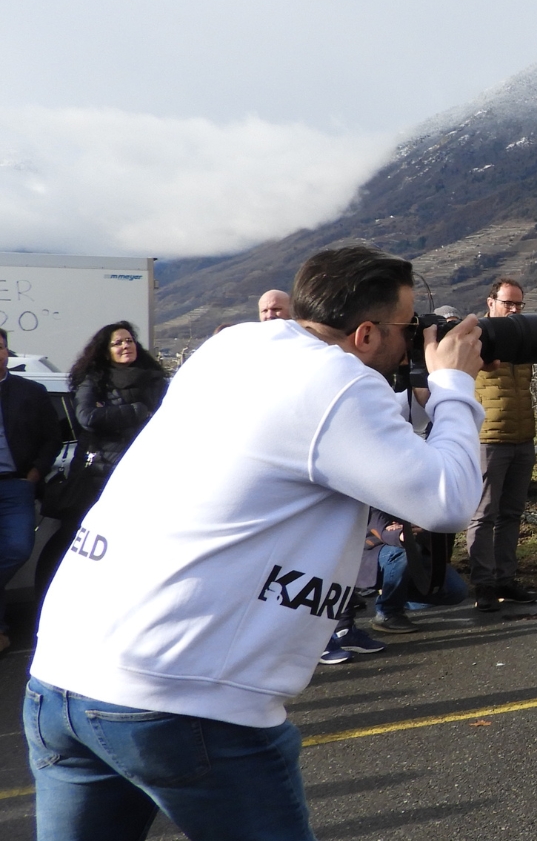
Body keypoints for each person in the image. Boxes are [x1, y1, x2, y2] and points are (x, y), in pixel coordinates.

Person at [28, 245, 485, 838]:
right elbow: (446, 501)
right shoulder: (337, 382)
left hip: (64, 670)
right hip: (181, 698)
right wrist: (453, 384)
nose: (415, 339)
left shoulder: (232, 346)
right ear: (366, 333)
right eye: (408, 327)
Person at [44, 323, 170, 594]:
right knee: (77, 542)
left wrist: (112, 412)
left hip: (144, 474)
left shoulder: (156, 381)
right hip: (96, 476)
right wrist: (138, 411)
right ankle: (56, 596)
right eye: (117, 343)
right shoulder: (94, 380)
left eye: (129, 340)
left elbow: (168, 420)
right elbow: (88, 418)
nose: (126, 346)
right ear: (105, 350)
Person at [469, 278, 537, 611]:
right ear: (491, 303)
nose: (513, 309)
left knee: (512, 513)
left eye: (518, 305)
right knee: (483, 513)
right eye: (507, 303)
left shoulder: (524, 343)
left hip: (522, 438)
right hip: (488, 439)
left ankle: (505, 580)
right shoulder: (476, 339)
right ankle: (483, 584)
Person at [0, 327, 61, 656]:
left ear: (7, 352)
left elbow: (53, 437)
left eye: (0, 347)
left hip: (16, 486)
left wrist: (35, 473)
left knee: (18, 548)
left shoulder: (31, 392)